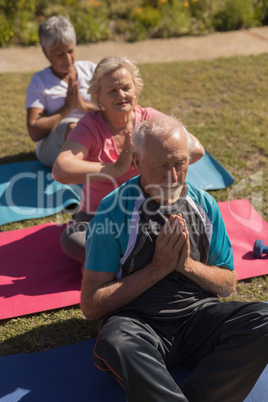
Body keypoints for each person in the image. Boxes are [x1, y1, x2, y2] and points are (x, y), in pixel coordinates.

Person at [80, 116, 268, 402]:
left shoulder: (204, 206)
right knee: (115, 342)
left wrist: (187, 265)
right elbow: (91, 305)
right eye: (161, 166)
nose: (173, 176)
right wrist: (156, 269)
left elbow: (228, 284)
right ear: (138, 163)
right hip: (138, 323)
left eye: (180, 163)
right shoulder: (114, 210)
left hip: (198, 318)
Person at [52, 56, 205, 264]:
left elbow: (196, 149)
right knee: (72, 239)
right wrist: (115, 169)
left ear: (136, 89)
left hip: (150, 212)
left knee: (191, 225)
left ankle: (120, 261)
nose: (121, 95)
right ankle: (143, 258)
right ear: (98, 97)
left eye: (126, 88)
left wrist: (148, 163)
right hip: (98, 217)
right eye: (112, 91)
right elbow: (61, 169)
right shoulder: (89, 125)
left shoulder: (149, 120)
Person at [25, 15, 96, 168]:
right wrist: (66, 109)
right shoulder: (39, 81)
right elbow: (34, 131)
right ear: (46, 53)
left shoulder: (90, 69)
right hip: (54, 147)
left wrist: (84, 107)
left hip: (95, 136)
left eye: (70, 51)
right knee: (74, 128)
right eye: (60, 54)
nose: (68, 58)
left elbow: (116, 109)